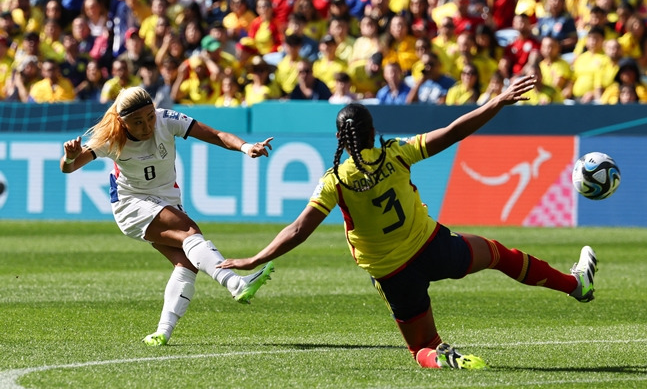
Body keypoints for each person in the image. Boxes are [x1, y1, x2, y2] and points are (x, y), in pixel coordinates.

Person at [217, 75, 599, 369]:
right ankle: (575, 285)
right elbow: (453, 132)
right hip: (434, 248)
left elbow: (298, 229)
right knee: (498, 254)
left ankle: (442, 358)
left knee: (421, 346)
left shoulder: (335, 181)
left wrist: (254, 259)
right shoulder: (396, 153)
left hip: (390, 272)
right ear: (371, 132)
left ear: (339, 138)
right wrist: (496, 101)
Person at [60, 86, 275, 346]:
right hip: (132, 203)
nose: (147, 125)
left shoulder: (167, 119)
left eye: (150, 116)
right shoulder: (110, 137)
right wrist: (69, 157)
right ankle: (235, 284)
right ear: (122, 122)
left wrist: (245, 146)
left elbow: (217, 135)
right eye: (137, 122)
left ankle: (162, 332)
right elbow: (69, 169)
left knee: (187, 262)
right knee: (190, 232)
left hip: (166, 199)